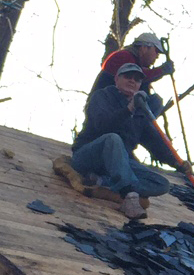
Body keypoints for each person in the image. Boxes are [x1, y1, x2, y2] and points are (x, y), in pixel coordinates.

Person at [70, 63, 178, 218]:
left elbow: (155, 142)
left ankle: (103, 182)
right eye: (128, 77)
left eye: (137, 79)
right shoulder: (102, 96)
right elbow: (102, 125)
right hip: (89, 157)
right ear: (117, 79)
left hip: (116, 166)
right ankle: (129, 196)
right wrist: (129, 109)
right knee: (113, 139)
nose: (132, 81)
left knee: (161, 184)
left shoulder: (140, 112)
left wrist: (178, 164)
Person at [90, 31, 176, 100]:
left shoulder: (132, 59)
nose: (157, 56)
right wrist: (162, 70)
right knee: (155, 101)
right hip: (104, 104)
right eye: (156, 51)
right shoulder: (124, 56)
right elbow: (141, 76)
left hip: (112, 102)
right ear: (144, 48)